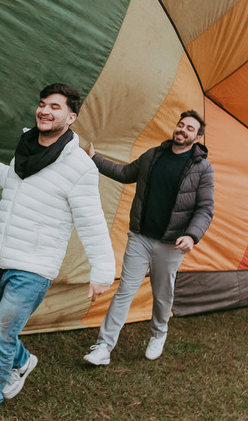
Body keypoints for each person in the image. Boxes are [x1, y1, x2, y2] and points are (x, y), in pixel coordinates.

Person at [0, 83, 115, 421]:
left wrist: (102, 272)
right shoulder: (26, 147)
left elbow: (91, 222)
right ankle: (22, 361)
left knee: (0, 336)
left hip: (33, 269)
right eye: (43, 104)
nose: (45, 110)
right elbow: (12, 181)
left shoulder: (79, 167)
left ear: (71, 117)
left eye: (55, 107)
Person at [81, 111, 214, 365]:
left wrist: (191, 235)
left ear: (197, 138)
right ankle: (104, 347)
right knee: (124, 291)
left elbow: (205, 208)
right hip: (140, 237)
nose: (182, 130)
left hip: (172, 244)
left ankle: (159, 333)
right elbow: (125, 173)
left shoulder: (203, 169)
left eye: (190, 128)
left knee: (162, 295)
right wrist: (94, 160)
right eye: (181, 125)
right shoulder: (154, 155)